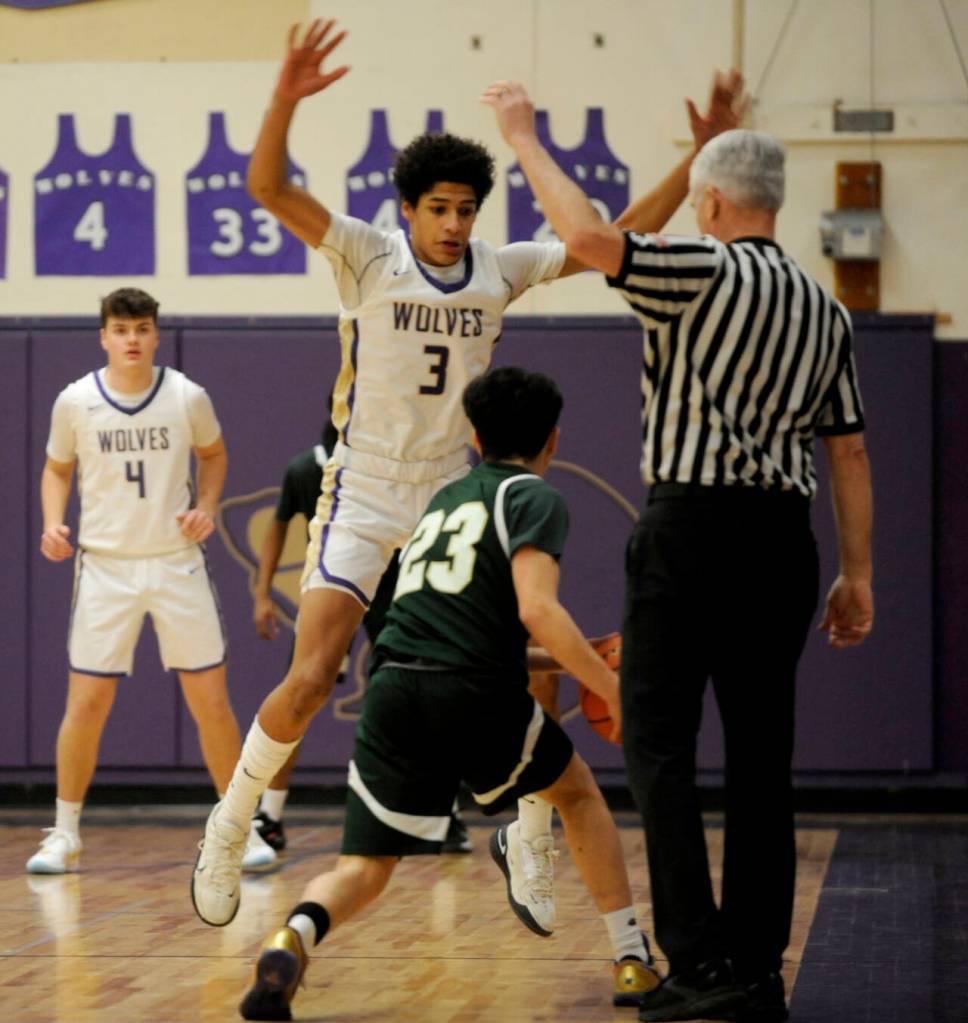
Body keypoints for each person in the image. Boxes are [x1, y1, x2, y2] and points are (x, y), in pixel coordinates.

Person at [190, 18, 742, 931]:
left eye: (465, 209)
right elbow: (264, 185)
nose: (452, 224)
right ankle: (232, 817)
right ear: (408, 208)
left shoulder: (498, 268)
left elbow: (615, 238)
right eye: (438, 208)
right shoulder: (367, 252)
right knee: (313, 671)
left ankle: (527, 828)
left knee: (525, 657)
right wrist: (284, 95)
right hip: (363, 491)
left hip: (453, 497)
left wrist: (697, 155)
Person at [484, 84, 874, 1023]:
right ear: (773, 200)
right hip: (783, 538)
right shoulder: (828, 311)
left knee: (658, 745)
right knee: (760, 759)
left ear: (708, 205)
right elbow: (849, 451)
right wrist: (858, 572)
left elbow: (585, 237)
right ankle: (755, 965)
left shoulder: (696, 271)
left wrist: (524, 139)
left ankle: (697, 962)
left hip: (691, 529)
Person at [236, 366, 660, 1021]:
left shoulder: (443, 496)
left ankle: (292, 934)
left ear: (471, 434)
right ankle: (631, 955)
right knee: (575, 789)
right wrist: (610, 685)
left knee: (366, 867)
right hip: (471, 687)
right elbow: (538, 609)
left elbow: (459, 615)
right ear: (554, 438)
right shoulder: (534, 498)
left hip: (394, 686)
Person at [26, 287, 245, 874]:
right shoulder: (74, 402)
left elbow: (216, 455)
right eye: (121, 329)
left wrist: (208, 505)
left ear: (155, 334)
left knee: (211, 701)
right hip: (105, 565)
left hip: (176, 561)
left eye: (142, 328)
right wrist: (53, 522)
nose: (131, 339)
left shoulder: (186, 396)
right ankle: (65, 833)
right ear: (103, 336)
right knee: (87, 702)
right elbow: (55, 469)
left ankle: (236, 829)